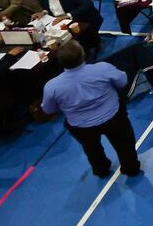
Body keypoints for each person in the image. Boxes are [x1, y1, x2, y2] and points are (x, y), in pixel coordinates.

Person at [41, 41, 141, 177]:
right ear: (83, 54)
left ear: (60, 62)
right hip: (114, 117)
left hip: (81, 127)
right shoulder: (102, 68)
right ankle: (131, 168)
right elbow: (122, 81)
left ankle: (101, 170)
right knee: (124, 144)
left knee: (91, 149)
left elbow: (49, 109)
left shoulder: (52, 86)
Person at [29, 0, 103, 54]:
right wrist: (43, 12)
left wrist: (67, 16)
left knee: (74, 49)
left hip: (81, 19)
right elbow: (51, 8)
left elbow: (88, 4)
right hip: (60, 23)